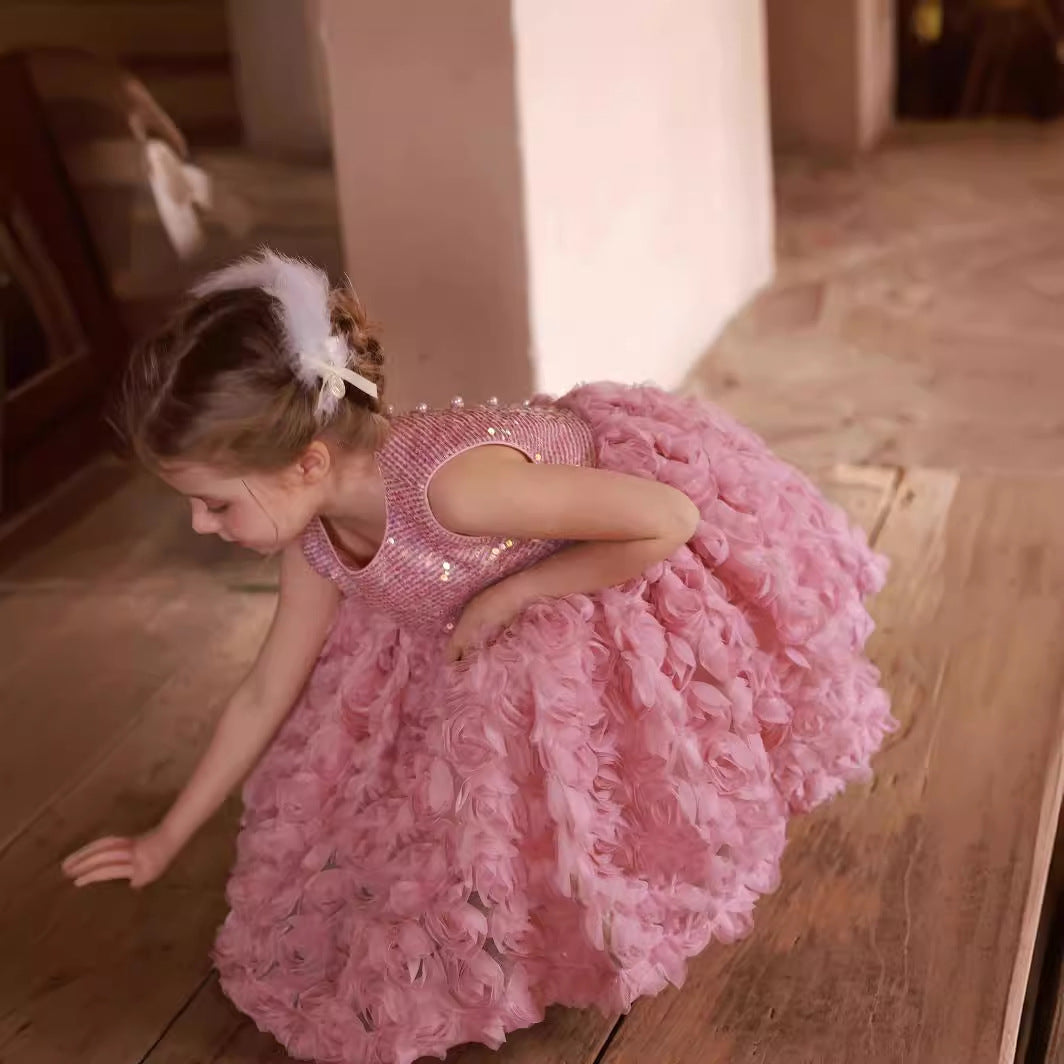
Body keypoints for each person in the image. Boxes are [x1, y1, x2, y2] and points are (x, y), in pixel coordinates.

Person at [62, 250, 892, 1064]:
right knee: (391, 768)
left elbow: (668, 519)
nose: (203, 527)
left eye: (213, 504)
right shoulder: (312, 534)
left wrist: (509, 595)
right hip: (452, 595)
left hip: (594, 560)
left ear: (307, 462)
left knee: (518, 716)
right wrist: (164, 837)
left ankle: (562, 905)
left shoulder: (458, 491)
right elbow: (266, 690)